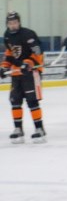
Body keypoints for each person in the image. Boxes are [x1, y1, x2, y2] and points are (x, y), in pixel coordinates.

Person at [1, 12, 46, 143]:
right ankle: (18, 129)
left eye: (15, 22)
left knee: (32, 101)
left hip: (31, 73)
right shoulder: (7, 36)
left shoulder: (28, 34)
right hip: (16, 74)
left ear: (19, 22)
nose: (12, 25)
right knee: (15, 101)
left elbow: (38, 52)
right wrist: (4, 66)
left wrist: (28, 63)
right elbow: (10, 53)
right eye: (10, 23)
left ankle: (39, 129)